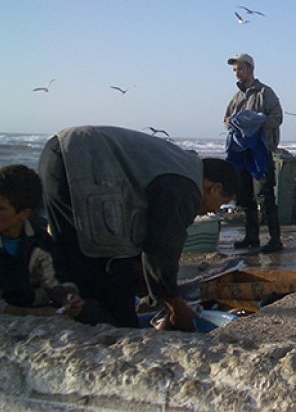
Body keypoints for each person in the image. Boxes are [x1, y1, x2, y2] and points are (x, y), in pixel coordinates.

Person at [39, 126, 239, 331]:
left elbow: (145, 231)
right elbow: (162, 246)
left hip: (58, 152)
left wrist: (147, 276)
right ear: (215, 188)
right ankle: (112, 328)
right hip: (78, 162)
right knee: (102, 263)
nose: (215, 210)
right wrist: (174, 303)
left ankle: (80, 318)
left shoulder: (181, 165)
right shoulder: (186, 186)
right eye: (222, 203)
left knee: (74, 255)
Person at [0, 164, 89, 321]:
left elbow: (54, 283)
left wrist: (69, 297)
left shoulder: (40, 243)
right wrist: (32, 314)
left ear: (24, 213)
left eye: (1, 209)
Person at [224, 53, 284, 253]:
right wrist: (233, 123)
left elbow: (277, 117)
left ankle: (275, 240)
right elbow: (226, 120)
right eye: (234, 70)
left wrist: (255, 126)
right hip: (241, 155)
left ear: (250, 69)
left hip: (261, 153)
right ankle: (251, 237)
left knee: (265, 196)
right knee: (245, 198)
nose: (237, 74)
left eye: (240, 69)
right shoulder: (236, 97)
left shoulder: (265, 92)